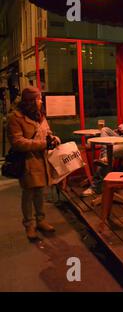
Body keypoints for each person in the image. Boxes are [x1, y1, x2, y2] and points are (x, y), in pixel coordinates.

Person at [7, 87, 61, 240]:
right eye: (38, 98)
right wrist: (43, 144)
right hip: (27, 161)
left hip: (41, 160)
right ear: (30, 101)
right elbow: (17, 142)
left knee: (39, 191)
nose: (41, 101)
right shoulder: (15, 118)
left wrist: (53, 138)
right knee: (29, 193)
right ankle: (29, 224)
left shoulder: (40, 115)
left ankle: (41, 220)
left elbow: (47, 132)